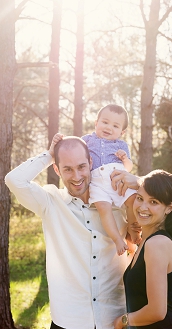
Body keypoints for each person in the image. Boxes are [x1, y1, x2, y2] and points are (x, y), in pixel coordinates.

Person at [5, 136, 132, 329]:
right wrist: (49, 155)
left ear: (90, 162)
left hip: (114, 319)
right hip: (69, 321)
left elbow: (159, 205)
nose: (76, 176)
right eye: (67, 169)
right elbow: (14, 180)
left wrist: (136, 181)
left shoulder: (118, 201)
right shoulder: (50, 202)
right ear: (56, 169)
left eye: (81, 166)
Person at [112, 169, 172, 329]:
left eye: (154, 202)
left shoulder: (157, 243)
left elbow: (157, 311)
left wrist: (123, 320)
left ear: (169, 208)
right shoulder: (147, 241)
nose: (143, 207)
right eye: (140, 198)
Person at [57, 104, 140, 256]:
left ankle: (133, 230)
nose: (108, 127)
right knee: (103, 209)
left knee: (132, 201)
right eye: (105, 122)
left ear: (122, 132)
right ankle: (118, 240)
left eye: (115, 125)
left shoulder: (121, 145)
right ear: (96, 123)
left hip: (117, 179)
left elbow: (128, 167)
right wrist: (60, 140)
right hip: (96, 181)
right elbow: (71, 148)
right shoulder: (87, 140)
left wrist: (124, 158)